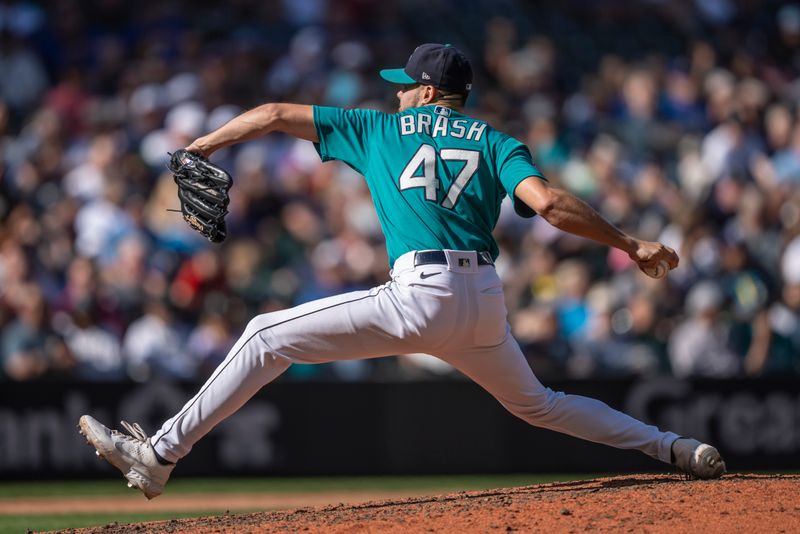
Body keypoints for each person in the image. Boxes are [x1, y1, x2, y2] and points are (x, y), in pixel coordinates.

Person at [78, 43, 725, 499]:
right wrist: (627, 241)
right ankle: (672, 447)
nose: (396, 89)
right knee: (542, 405)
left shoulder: (379, 128)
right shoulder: (494, 140)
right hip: (484, 304)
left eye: (403, 81)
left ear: (423, 90)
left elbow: (274, 113)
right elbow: (551, 206)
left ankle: (159, 455)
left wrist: (199, 145)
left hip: (419, 293)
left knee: (263, 335)